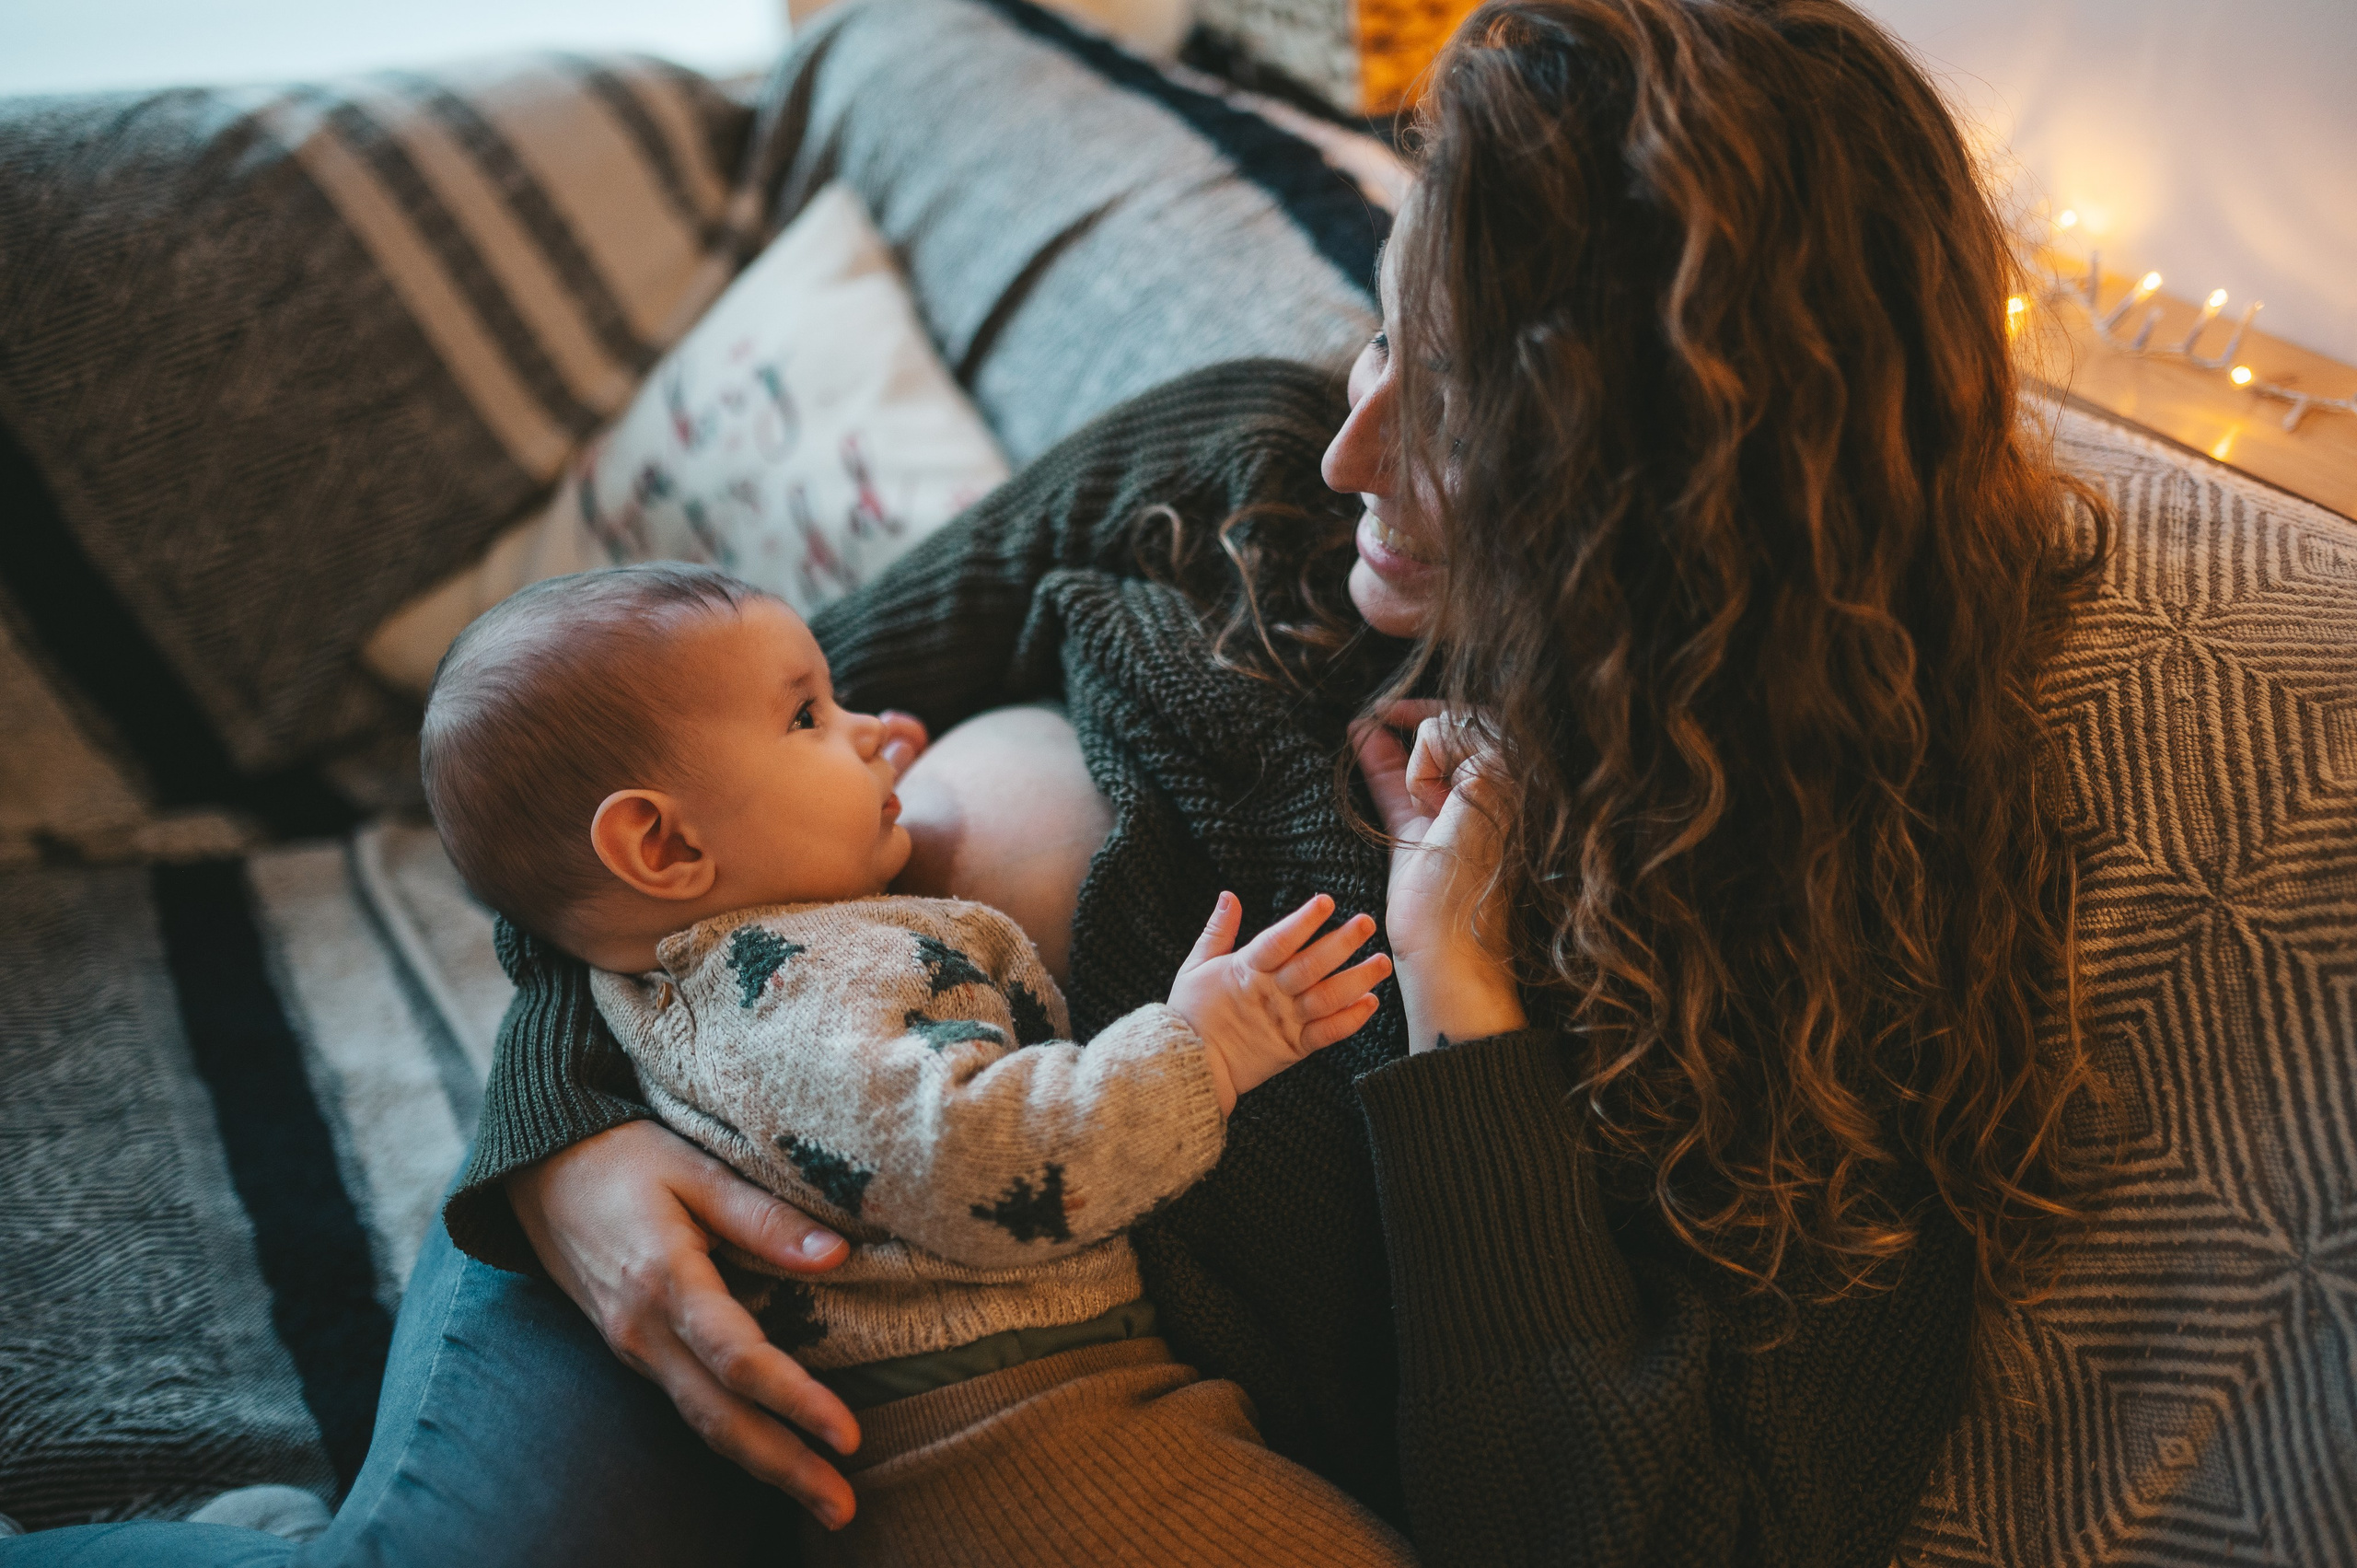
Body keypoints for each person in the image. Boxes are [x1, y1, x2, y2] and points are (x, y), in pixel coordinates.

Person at [6, 1, 2104, 1563]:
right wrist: (562, 1143)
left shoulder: (1851, 948)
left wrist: (1457, 1017)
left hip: (1071, 1446)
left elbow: (1624, 1530)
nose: (1350, 446)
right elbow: (637, 778)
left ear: (1668, 500)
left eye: (1448, 411)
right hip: (718, 1196)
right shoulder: (1242, 473)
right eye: (1381, 337)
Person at [415, 564, 1411, 1564]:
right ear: (662, 844)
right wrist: (1205, 1047)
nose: (878, 730)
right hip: (1037, 1443)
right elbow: (972, 1157)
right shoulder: (804, 981)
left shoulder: (663, 982)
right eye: (810, 714)